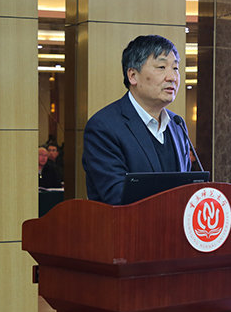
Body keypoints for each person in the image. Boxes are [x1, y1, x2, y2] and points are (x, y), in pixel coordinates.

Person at [82, 35, 192, 205]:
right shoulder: (104, 127)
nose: (172, 77)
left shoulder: (177, 124)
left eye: (175, 68)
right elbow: (117, 196)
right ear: (133, 75)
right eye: (161, 67)